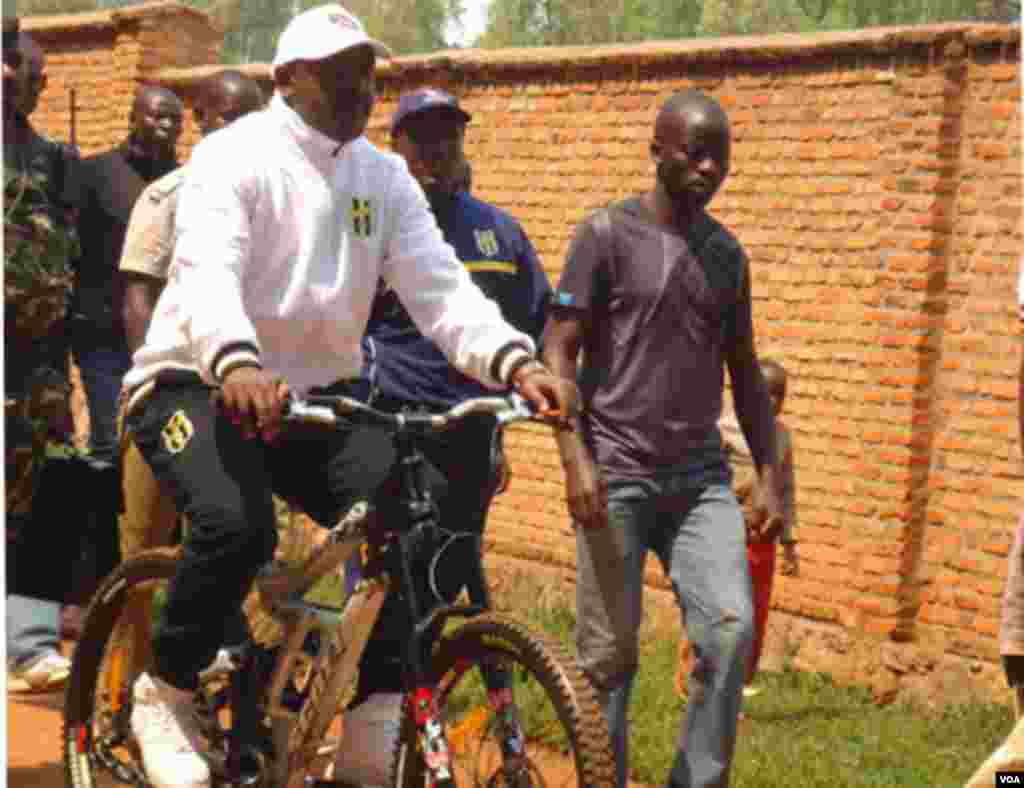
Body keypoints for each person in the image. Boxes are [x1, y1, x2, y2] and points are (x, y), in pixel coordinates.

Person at [119, 7, 577, 788]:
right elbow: (207, 270)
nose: (360, 89)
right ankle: (163, 689)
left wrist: (514, 362)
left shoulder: (381, 175)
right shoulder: (234, 156)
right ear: (287, 79)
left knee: (413, 512)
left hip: (311, 401)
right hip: (192, 380)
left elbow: (441, 291)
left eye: (366, 74)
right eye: (339, 73)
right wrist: (233, 360)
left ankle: (372, 720)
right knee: (236, 525)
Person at [542, 89, 782, 788]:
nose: (709, 169)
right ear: (657, 151)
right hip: (614, 472)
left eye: (721, 160)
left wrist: (768, 474)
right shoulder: (605, 236)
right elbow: (557, 349)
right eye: (694, 152)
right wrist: (574, 458)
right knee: (608, 664)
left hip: (699, 481)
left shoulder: (727, 257)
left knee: (731, 631)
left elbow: (744, 370)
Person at [333, 87, 552, 785]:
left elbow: (527, 330)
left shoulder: (499, 232)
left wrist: (508, 428)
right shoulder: (368, 218)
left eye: (447, 137)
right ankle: (369, 739)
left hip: (468, 438)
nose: (435, 152)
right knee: (384, 597)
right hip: (386, 427)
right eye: (419, 138)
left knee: (446, 585)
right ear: (395, 147)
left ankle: (411, 733)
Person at [113, 70, 267, 681]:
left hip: (245, 402)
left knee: (242, 551)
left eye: (244, 118)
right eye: (219, 118)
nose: (231, 130)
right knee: (145, 555)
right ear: (200, 124)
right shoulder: (168, 197)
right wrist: (150, 383)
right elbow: (137, 302)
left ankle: (219, 696)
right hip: (172, 393)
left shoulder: (277, 203)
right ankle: (122, 692)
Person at [70, 83, 183, 587]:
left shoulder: (187, 183)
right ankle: (91, 580)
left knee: (159, 455)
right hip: (103, 340)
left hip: (164, 343)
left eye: (175, 120)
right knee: (104, 450)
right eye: (157, 116)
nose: (165, 126)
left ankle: (151, 572)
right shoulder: (95, 174)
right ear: (133, 118)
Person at [4, 18, 78, 691]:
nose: (22, 79)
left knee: (45, 490)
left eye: (29, 71)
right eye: (14, 64)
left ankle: (28, 644)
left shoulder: (53, 160)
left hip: (40, 361)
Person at [719, 358, 798, 695]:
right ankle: (698, 682)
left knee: (755, 614)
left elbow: (787, 488)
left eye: (779, 394)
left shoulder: (781, 437)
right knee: (722, 613)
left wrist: (789, 542)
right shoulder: (724, 429)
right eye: (766, 393)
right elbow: (711, 481)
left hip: (763, 539)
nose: (773, 401)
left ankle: (739, 685)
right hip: (726, 534)